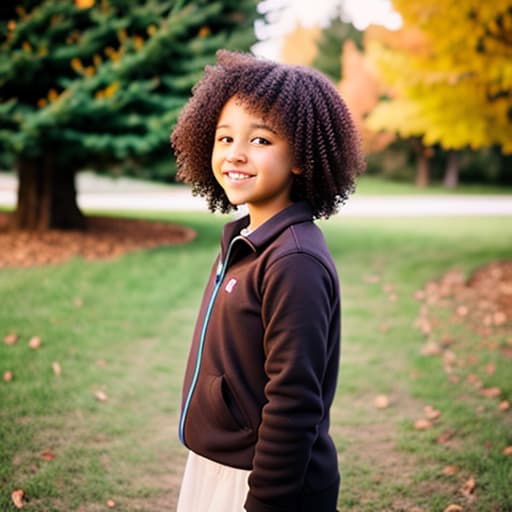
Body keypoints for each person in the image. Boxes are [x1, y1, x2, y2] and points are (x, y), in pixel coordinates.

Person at [170, 50, 365, 512]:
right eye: (223, 137)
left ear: (300, 158)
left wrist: (265, 502)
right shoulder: (245, 239)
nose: (235, 153)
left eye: (259, 140)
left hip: (264, 481)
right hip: (218, 462)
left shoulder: (294, 260)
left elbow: (294, 404)